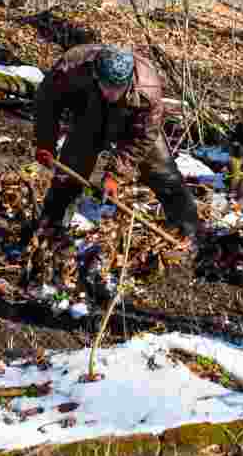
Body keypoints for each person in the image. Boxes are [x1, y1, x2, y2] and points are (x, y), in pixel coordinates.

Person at [24, 44, 199, 291]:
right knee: (71, 171)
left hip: (135, 122)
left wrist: (114, 175)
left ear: (127, 81)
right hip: (88, 110)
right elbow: (46, 103)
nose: (111, 93)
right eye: (107, 86)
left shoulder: (148, 90)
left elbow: (143, 138)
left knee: (164, 174)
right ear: (96, 74)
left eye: (117, 88)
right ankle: (51, 233)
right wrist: (45, 142)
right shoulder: (72, 67)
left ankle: (189, 234)